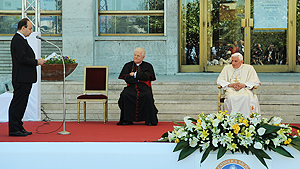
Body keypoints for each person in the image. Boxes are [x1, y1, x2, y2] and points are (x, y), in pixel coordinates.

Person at [9, 18, 47, 136]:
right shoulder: (18, 40)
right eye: (30, 28)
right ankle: (14, 128)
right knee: (18, 103)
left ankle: (18, 126)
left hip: (24, 77)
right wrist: (37, 62)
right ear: (23, 28)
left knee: (22, 103)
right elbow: (22, 59)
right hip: (21, 77)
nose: (31, 31)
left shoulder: (21, 39)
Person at [117, 47, 158, 126]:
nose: (136, 57)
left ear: (143, 57)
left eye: (138, 56)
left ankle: (149, 120)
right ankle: (127, 120)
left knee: (147, 95)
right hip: (131, 86)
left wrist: (135, 75)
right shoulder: (128, 65)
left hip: (144, 87)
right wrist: (138, 79)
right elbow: (126, 77)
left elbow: (148, 77)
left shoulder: (148, 66)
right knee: (125, 95)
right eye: (135, 55)